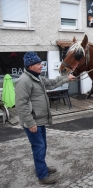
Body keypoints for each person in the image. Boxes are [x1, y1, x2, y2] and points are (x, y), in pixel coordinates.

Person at [15, 52, 75, 185]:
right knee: (39, 147)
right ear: (30, 66)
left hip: (39, 121)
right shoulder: (24, 81)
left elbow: (52, 83)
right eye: (38, 63)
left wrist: (67, 78)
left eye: (40, 62)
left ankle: (41, 168)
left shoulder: (38, 78)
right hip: (33, 122)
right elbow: (21, 105)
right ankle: (42, 176)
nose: (41, 65)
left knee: (42, 146)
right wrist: (30, 123)